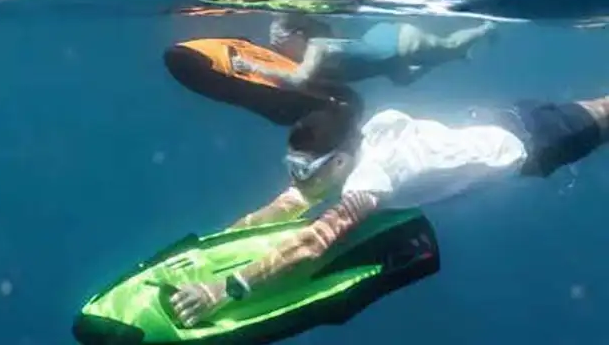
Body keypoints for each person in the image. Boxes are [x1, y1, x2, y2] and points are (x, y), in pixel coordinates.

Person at [168, 94, 609, 327]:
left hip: (535, 145)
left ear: (340, 162)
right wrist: (219, 242)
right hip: (500, 119)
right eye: (291, 168)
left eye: (305, 170)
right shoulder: (361, 136)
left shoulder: (371, 180)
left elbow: (314, 242)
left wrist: (226, 289)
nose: (297, 180)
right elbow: (293, 202)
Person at [231, 12, 497, 88]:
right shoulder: (310, 53)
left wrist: (251, 66)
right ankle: (453, 57)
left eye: (279, 45)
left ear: (298, 35)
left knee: (449, 45)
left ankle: (485, 28)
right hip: (383, 51)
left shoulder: (317, 47)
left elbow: (300, 79)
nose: (277, 50)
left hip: (400, 41)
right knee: (403, 80)